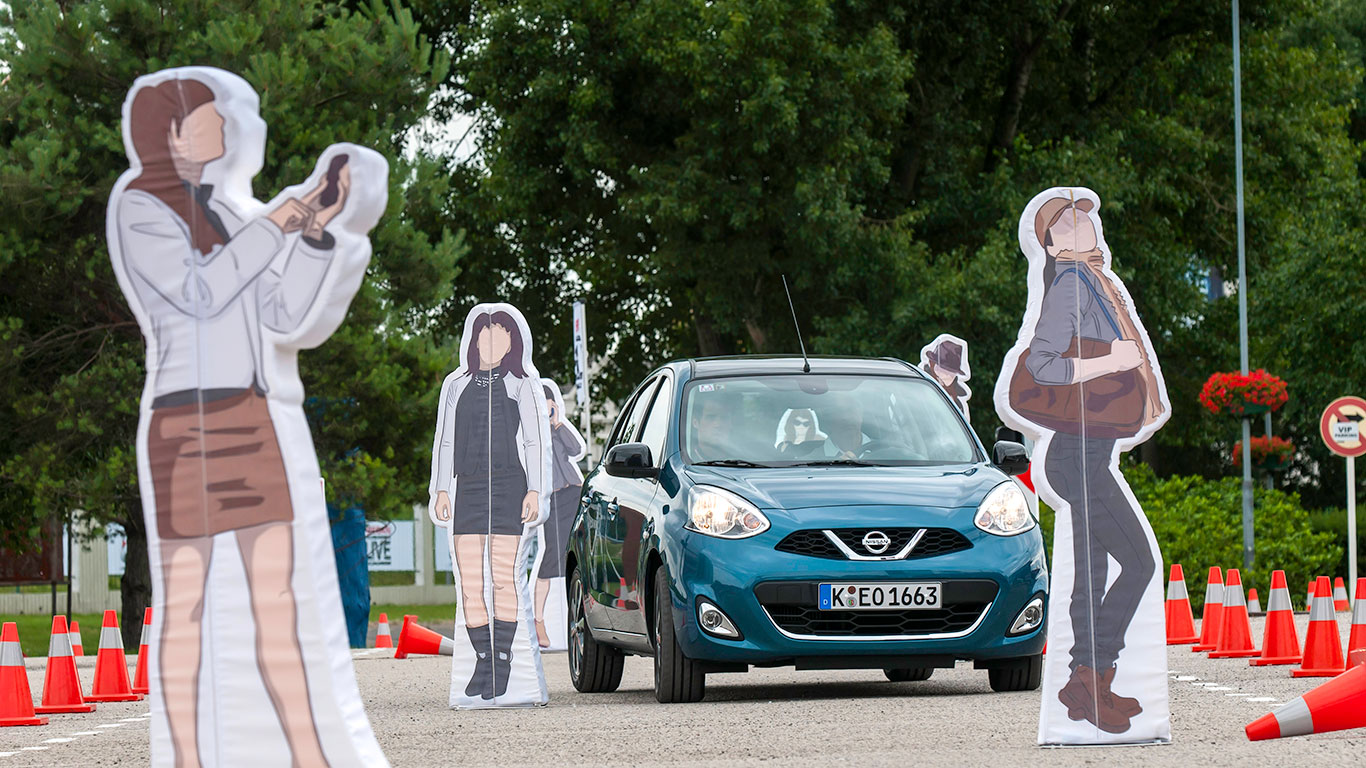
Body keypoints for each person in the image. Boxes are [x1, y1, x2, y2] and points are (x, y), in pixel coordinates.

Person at [112, 74, 358, 765]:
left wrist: (313, 234)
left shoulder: (223, 211)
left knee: (278, 599)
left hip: (250, 415)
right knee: (186, 604)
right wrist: (278, 222)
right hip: (184, 424)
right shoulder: (138, 208)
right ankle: (187, 758)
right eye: (210, 116)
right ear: (171, 132)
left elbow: (279, 311)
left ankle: (309, 753)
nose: (224, 125)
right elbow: (200, 292)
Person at [1021, 193, 1164, 734]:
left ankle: (1088, 683)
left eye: (1083, 215)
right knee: (1139, 562)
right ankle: (1090, 676)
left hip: (1087, 452)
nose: (1080, 222)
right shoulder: (1070, 286)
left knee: (1092, 568)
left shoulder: (1095, 283)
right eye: (1066, 221)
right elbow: (1041, 364)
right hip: (1077, 453)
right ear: (1053, 243)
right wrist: (1110, 360)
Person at [430, 307, 545, 702]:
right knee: (470, 582)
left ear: (512, 343)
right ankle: (483, 661)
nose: (492, 340)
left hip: (510, 485)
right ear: (475, 338)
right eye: (486, 332)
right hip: (469, 487)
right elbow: (445, 439)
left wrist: (535, 490)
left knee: (503, 577)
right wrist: (441, 489)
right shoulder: (456, 385)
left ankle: (503, 660)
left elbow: (533, 440)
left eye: (502, 334)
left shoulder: (521, 385)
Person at [534, 382, 586, 648]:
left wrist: (557, 423)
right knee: (551, 557)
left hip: (572, 493)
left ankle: (577, 615)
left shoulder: (557, 429)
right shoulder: (528, 433)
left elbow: (576, 450)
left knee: (576, 552)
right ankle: (538, 619)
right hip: (550, 498)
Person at [921, 337, 972, 421]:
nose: (946, 375)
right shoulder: (922, 389)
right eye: (942, 369)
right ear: (932, 365)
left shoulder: (958, 404)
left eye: (951, 372)